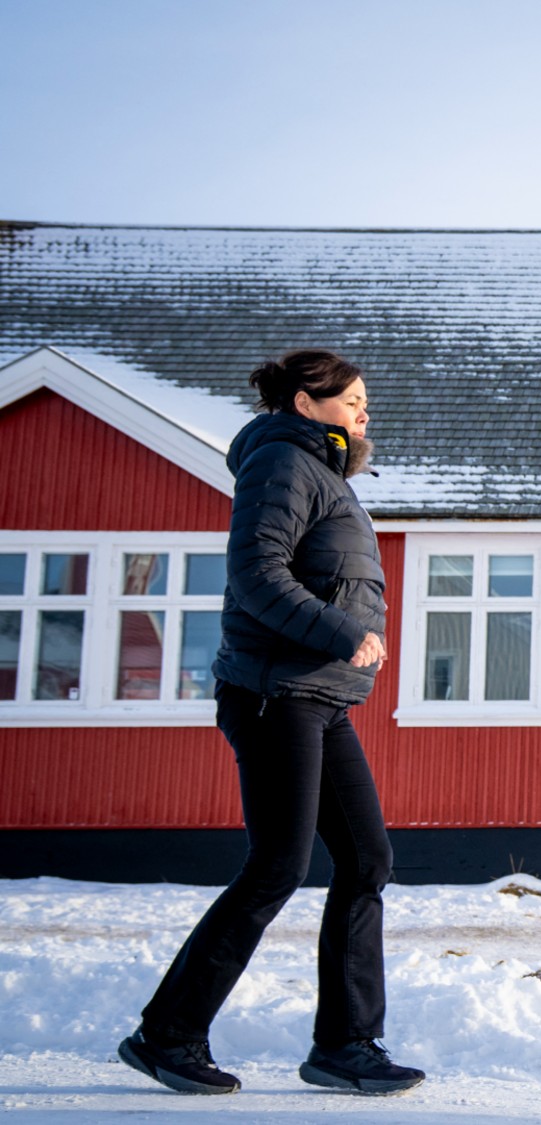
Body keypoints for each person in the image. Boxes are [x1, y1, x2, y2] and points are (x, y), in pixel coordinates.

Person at [118, 350, 425, 1097]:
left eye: (365, 401)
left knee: (365, 861)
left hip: (319, 697)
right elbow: (256, 573)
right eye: (351, 399)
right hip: (274, 692)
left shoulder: (324, 473)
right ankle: (167, 1034)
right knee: (278, 865)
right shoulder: (282, 462)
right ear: (303, 401)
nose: (363, 411)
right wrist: (337, 630)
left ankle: (345, 1044)